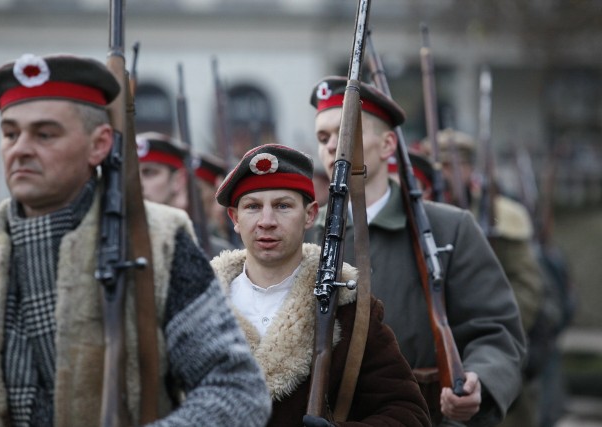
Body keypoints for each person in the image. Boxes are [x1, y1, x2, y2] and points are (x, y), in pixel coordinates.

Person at [0, 52, 271, 426]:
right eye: (10, 133)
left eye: (45, 134)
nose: (21, 148)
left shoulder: (158, 242)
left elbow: (236, 390)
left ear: (99, 144)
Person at [309, 76, 526, 426]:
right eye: (323, 137)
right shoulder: (308, 236)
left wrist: (478, 381)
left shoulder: (449, 229)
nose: (333, 145)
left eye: (347, 132)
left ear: (387, 144)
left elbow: (495, 331)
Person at [210, 144, 431, 427]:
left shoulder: (350, 309)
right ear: (234, 218)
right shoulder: (198, 311)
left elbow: (408, 414)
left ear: (311, 214)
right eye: (253, 207)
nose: (267, 221)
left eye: (282, 206)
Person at [423, 128, 546, 427]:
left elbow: (526, 286)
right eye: (435, 165)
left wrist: (493, 338)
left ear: (467, 168)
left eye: (451, 165)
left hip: (490, 352)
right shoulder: (422, 215)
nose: (444, 174)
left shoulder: (501, 214)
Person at [137, 132, 234, 257]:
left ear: (178, 180)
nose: (138, 183)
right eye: (133, 174)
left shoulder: (216, 252)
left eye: (149, 172)